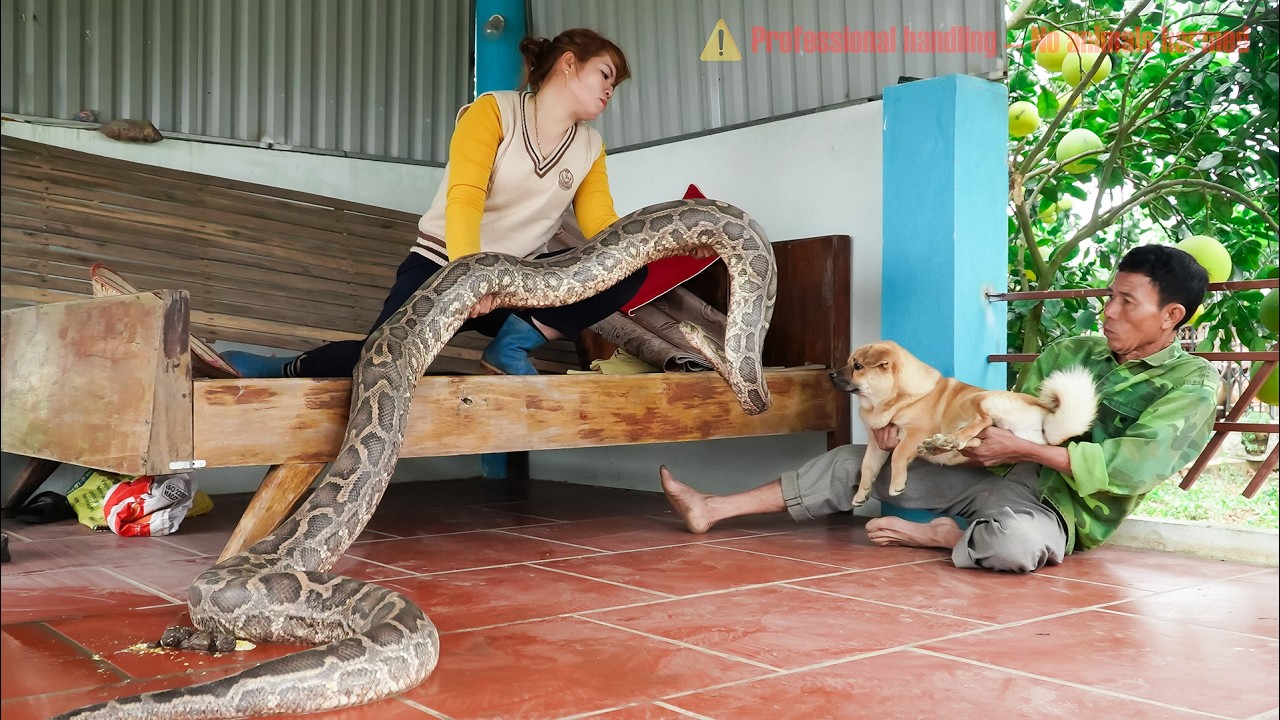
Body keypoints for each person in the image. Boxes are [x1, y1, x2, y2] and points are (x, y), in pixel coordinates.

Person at [661, 244, 1219, 573]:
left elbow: (1135, 467)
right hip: (995, 471)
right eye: (1108, 297)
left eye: (1127, 302)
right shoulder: (1070, 352)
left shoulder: (1192, 386)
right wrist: (920, 437)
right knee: (858, 461)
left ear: (1171, 316)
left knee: (1016, 545)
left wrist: (1023, 449)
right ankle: (713, 508)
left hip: (1062, 510)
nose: (1108, 312)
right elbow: (999, 416)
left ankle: (949, 538)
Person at [224, 29, 688, 378]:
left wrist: (660, 244)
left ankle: (512, 346)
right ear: (569, 63)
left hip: (520, 279)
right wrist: (471, 280)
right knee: (380, 362)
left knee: (626, 267)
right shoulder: (494, 111)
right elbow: (465, 197)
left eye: (615, 85)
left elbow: (601, 224)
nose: (610, 89)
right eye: (605, 75)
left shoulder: (590, 146)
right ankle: (277, 369)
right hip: (442, 264)